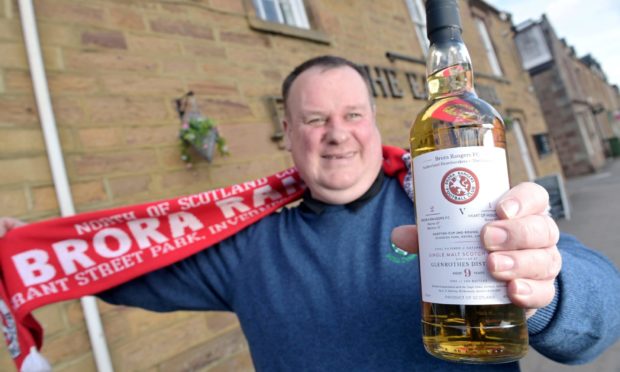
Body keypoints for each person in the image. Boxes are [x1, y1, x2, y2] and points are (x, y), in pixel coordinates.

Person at [1, 55, 619, 371]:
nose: (336, 134)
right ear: (288, 135)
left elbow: (603, 314)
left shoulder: (452, 201)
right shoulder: (247, 244)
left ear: (376, 127)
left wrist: (544, 295)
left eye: (352, 115)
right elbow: (125, 263)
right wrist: (19, 250)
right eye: (314, 119)